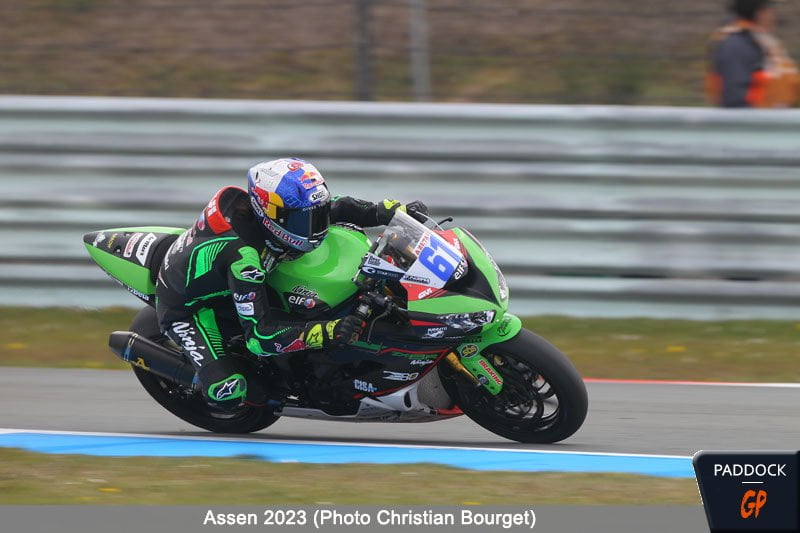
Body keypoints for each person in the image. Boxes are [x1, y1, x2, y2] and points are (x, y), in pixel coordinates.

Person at [155, 158, 427, 408]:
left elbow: (339, 207)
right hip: (187, 309)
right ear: (271, 215)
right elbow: (259, 337)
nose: (316, 225)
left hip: (227, 281)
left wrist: (391, 213)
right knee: (229, 392)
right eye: (304, 219)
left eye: (316, 214)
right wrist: (329, 330)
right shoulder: (245, 262)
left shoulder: (284, 214)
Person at [707, 0, 799, 108]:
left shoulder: (760, 42)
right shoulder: (737, 44)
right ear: (760, 13)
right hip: (753, 116)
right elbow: (735, 96)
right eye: (770, 11)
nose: (773, 17)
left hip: (772, 115)